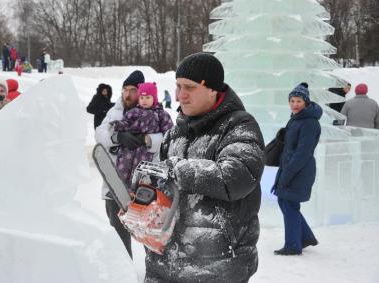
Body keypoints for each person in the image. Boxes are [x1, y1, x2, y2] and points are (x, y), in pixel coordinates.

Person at [141, 53, 265, 282]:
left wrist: (180, 171)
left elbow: (236, 177)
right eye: (178, 86)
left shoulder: (239, 126)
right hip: (164, 263)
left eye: (189, 87)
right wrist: (144, 205)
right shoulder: (174, 133)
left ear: (212, 90)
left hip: (217, 266)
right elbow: (165, 187)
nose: (180, 95)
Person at [95, 70, 165, 259]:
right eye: (125, 89)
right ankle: (123, 274)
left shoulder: (156, 112)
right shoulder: (116, 110)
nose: (127, 94)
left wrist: (147, 139)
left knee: (149, 234)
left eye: (133, 90)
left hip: (145, 186)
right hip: (115, 185)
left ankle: (155, 275)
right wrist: (118, 137)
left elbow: (169, 137)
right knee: (118, 236)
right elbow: (100, 134)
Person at [271, 83, 322, 256]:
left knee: (288, 203)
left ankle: (293, 245)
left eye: (299, 101)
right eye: (292, 101)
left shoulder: (309, 122)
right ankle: (305, 236)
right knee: (285, 202)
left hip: (300, 169)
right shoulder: (296, 118)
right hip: (291, 166)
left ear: (306, 102)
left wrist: (287, 174)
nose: (294, 104)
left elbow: (303, 152)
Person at [112, 82, 173, 187]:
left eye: (148, 97)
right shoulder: (134, 111)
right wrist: (118, 126)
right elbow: (126, 122)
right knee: (123, 167)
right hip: (129, 149)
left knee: (141, 172)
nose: (144, 101)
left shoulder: (161, 114)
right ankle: (120, 186)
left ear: (154, 98)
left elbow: (169, 132)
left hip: (146, 151)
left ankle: (139, 189)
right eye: (142, 97)